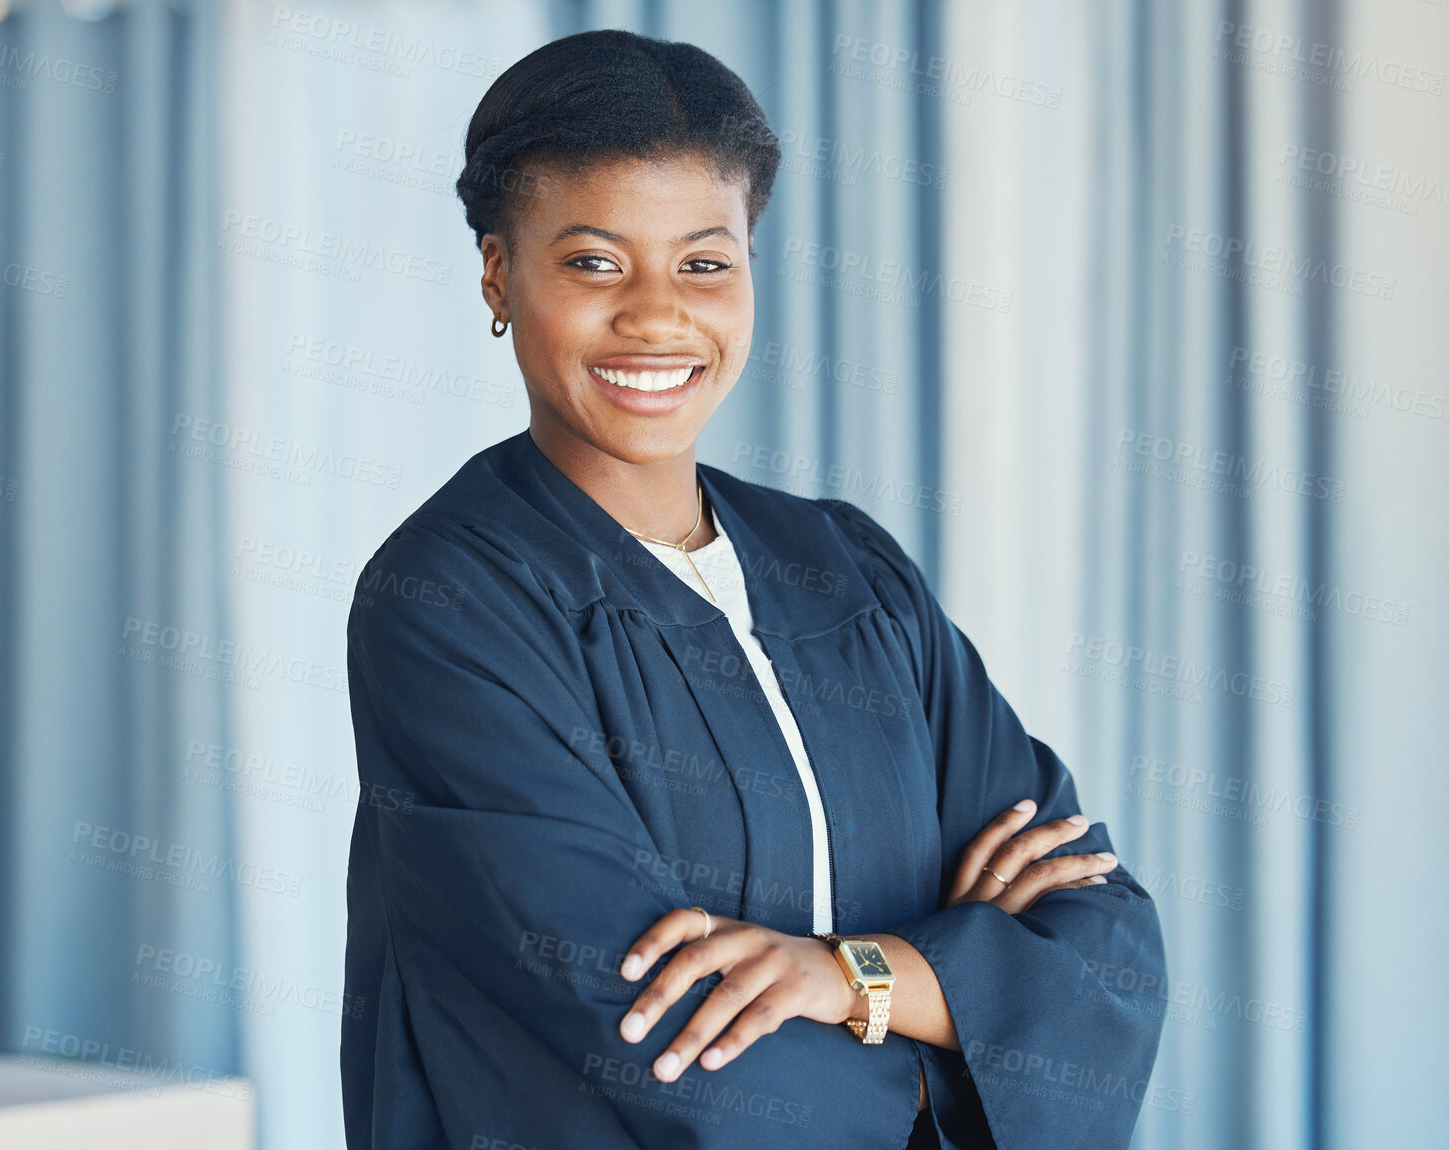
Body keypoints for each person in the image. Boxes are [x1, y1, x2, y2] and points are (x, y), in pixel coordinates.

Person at [340, 28, 1165, 1150]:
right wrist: (955, 1028)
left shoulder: (846, 568)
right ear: (497, 272)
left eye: (703, 261)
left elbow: (1105, 944)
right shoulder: (453, 603)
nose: (656, 315)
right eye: (592, 261)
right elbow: (649, 1029)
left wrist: (841, 975)